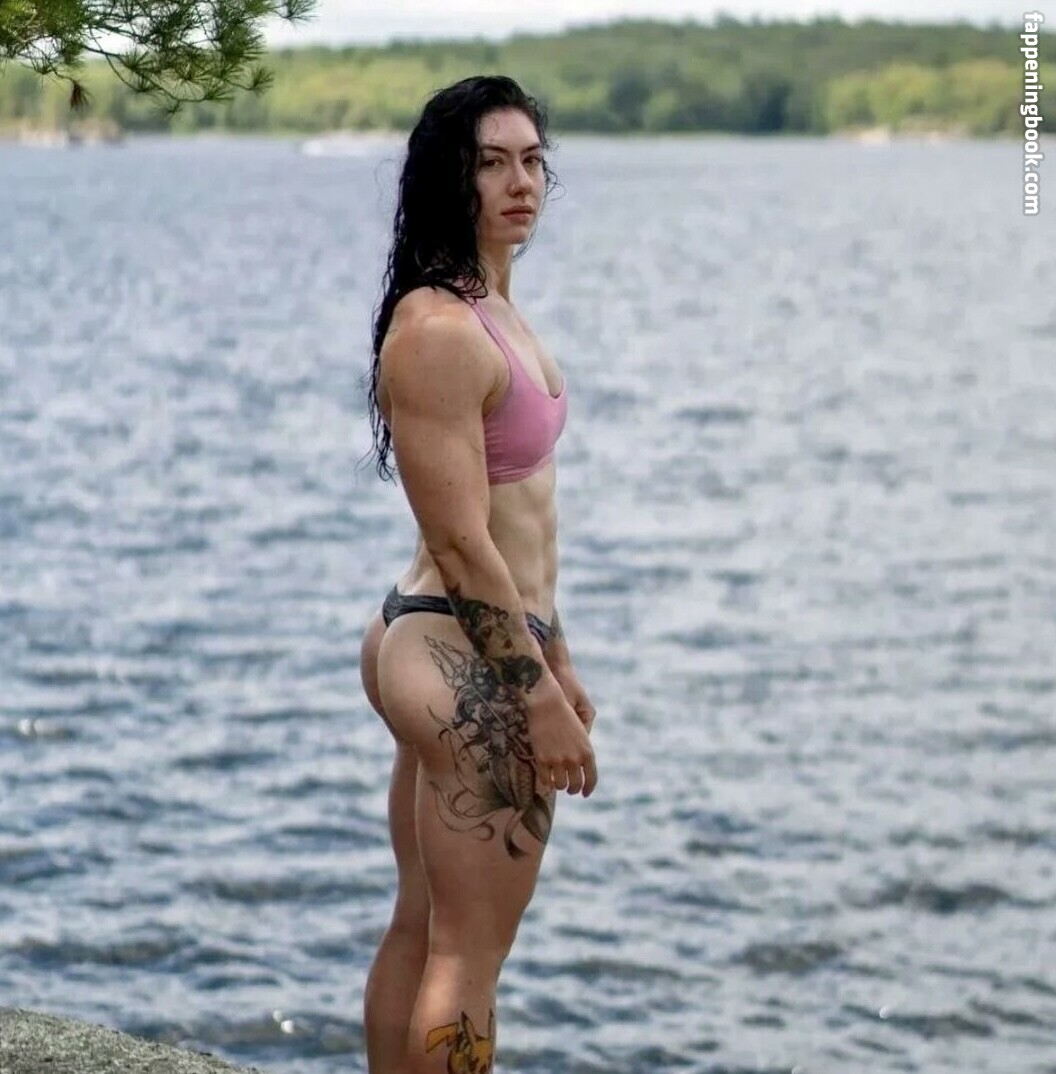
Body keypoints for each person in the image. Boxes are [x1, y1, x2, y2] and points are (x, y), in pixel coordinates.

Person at [355, 75, 599, 1074]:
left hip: (474, 641)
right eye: (491, 163)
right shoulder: (440, 332)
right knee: (470, 956)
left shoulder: (487, 306)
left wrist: (559, 653)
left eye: (532, 160)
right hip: (465, 656)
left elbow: (523, 518)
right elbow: (460, 542)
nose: (520, 182)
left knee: (427, 927)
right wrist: (532, 693)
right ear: (446, 178)